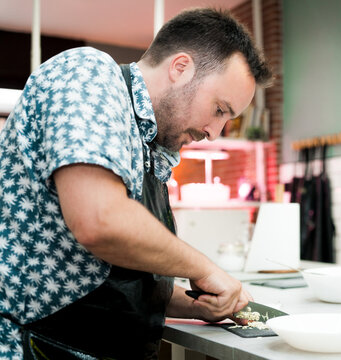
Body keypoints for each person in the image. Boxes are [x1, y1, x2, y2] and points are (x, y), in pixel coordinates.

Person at [0, 8, 272, 359]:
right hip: (32, 347)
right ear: (180, 68)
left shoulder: (149, 146)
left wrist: (199, 307)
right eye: (219, 110)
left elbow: (109, 280)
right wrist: (206, 268)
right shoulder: (87, 73)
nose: (213, 133)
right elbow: (100, 222)